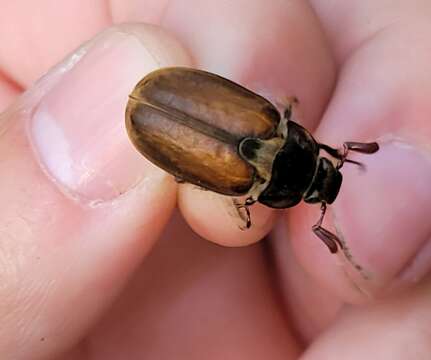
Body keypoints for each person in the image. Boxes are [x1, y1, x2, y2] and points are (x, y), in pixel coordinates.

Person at [1, 1, 430, 359]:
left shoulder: (272, 120)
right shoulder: (245, 186)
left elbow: (298, 133)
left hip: (163, 99)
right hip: (162, 103)